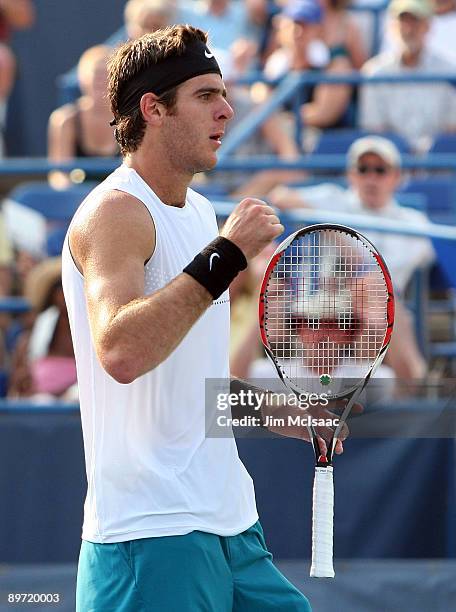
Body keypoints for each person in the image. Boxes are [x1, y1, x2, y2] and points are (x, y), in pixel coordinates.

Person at [63, 25, 339, 611]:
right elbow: (121, 351)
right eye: (206, 95)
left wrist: (292, 414)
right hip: (150, 536)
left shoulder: (199, 210)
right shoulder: (114, 212)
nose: (227, 110)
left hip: (230, 524)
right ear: (153, 109)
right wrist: (226, 255)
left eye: (224, 94)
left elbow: (196, 385)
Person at [268, 135, 435, 380]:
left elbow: (384, 277)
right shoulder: (332, 198)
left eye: (380, 170)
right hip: (319, 300)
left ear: (396, 177)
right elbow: (280, 195)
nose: (371, 178)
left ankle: (366, 393)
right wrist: (327, 226)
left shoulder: (413, 222)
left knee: (376, 295)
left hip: (378, 306)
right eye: (363, 169)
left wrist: (337, 238)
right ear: (351, 174)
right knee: (267, 283)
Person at [359, 0, 456, 152]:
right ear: (391, 27)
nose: (409, 29)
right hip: (389, 166)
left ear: (428, 26)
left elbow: (451, 130)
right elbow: (374, 131)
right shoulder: (374, 72)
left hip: (438, 168)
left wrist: (428, 154)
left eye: (415, 21)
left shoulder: (449, 72)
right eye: (403, 21)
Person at [48, 45, 118, 187]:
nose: (101, 80)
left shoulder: (129, 119)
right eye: (96, 73)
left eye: (107, 74)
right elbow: (59, 175)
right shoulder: (64, 121)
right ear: (82, 78)